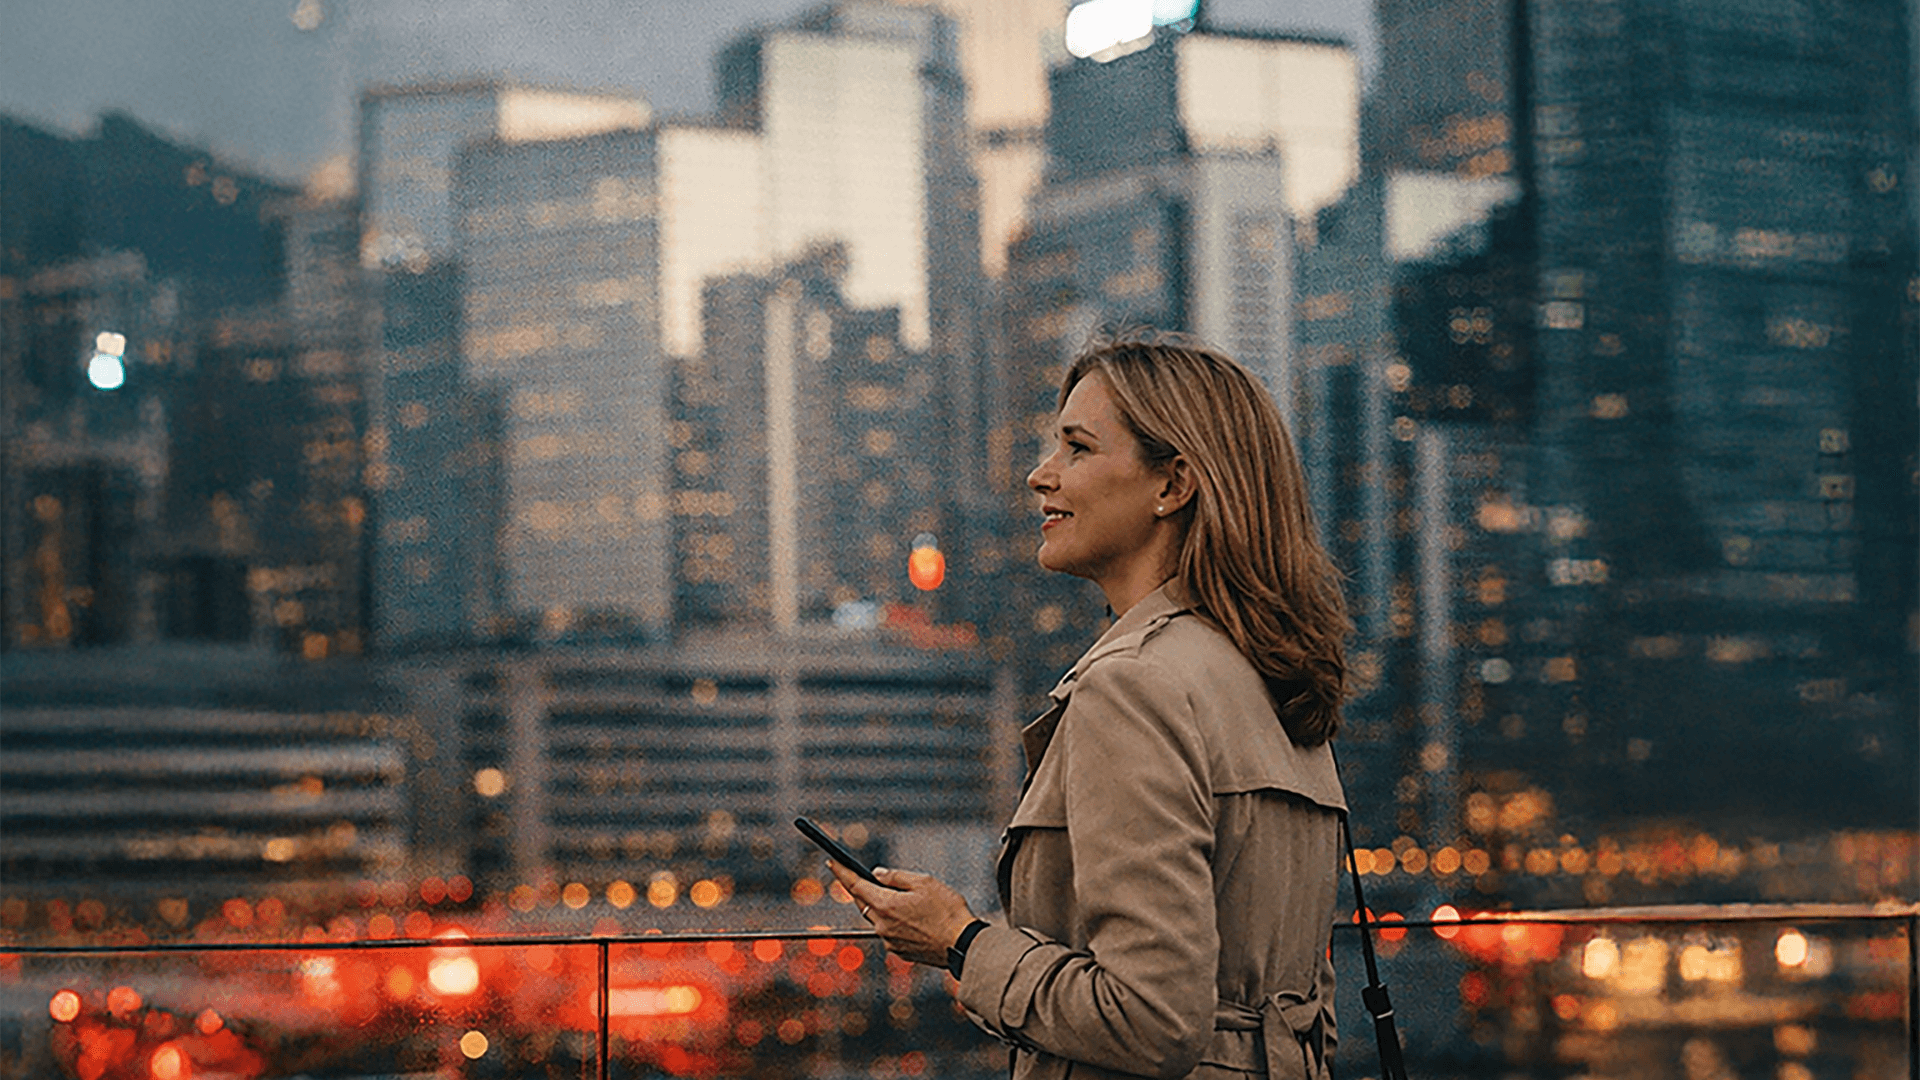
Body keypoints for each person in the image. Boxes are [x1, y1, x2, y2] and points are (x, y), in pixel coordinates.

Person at [830, 332, 1351, 1080]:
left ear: (1173, 484)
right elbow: (1305, 1005)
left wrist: (961, 941)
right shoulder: (1275, 675)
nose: (1041, 474)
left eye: (1077, 448)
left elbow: (1152, 1020)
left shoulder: (1134, 686)